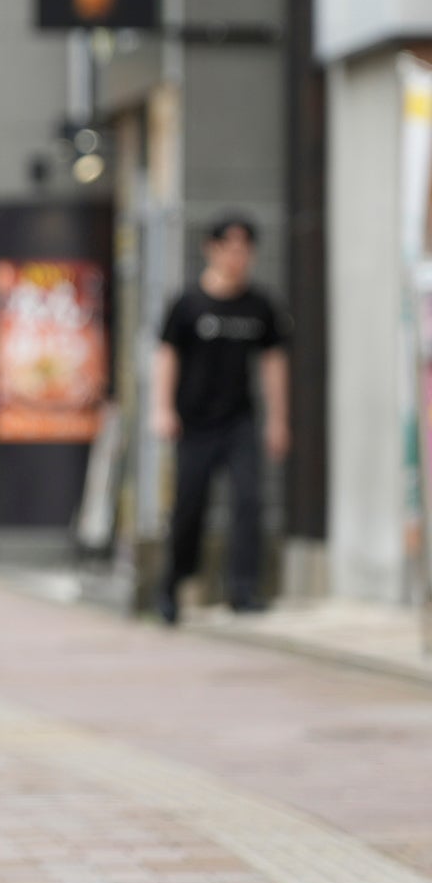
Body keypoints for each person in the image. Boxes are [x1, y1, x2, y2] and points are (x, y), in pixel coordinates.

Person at [152, 213, 289, 622]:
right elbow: (166, 355)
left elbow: (273, 364)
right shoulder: (188, 303)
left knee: (249, 501)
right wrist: (162, 408)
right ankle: (172, 585)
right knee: (189, 507)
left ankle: (243, 589)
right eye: (228, 248)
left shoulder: (260, 305)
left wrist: (279, 419)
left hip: (240, 420)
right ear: (210, 250)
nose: (236, 256)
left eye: (244, 249)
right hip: (193, 422)